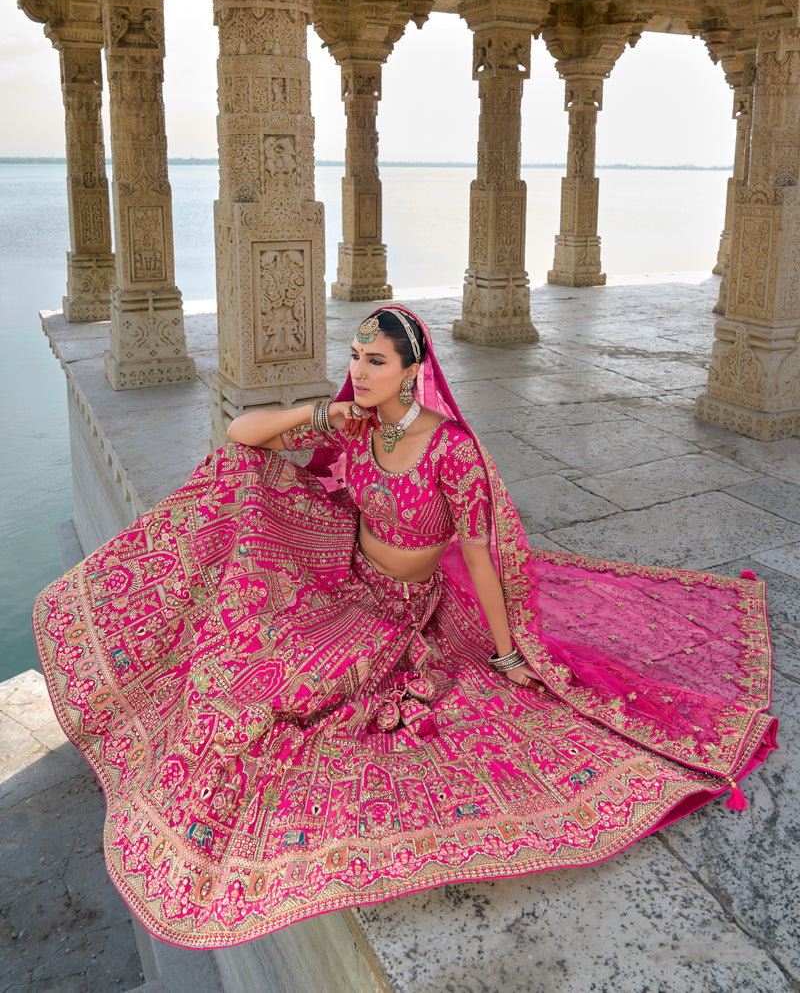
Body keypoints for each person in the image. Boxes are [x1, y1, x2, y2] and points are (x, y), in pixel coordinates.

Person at [33, 304, 777, 950]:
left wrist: (509, 649)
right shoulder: (356, 430)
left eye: (375, 359)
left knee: (277, 699)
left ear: (413, 368)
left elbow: (480, 560)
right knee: (239, 486)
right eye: (355, 356)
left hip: (401, 613)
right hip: (342, 581)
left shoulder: (454, 453)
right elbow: (241, 433)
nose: (357, 370)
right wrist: (318, 414)